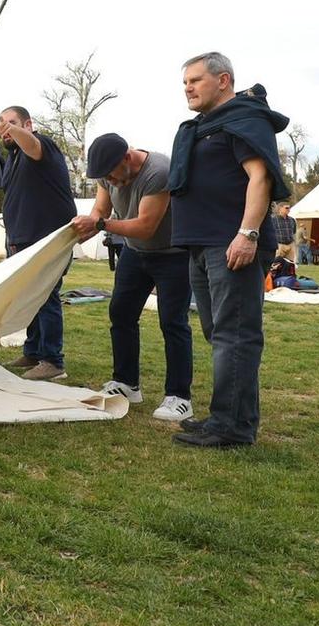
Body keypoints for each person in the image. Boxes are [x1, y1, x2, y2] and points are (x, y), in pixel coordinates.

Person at [165, 52, 290, 449]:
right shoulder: (206, 126)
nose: (188, 87)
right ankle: (228, 416)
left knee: (235, 334)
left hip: (231, 241)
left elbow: (260, 179)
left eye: (196, 80)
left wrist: (248, 234)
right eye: (185, 81)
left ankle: (232, 427)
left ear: (223, 81)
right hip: (202, 243)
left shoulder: (245, 119)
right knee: (219, 332)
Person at [70, 132, 194, 423]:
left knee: (173, 322)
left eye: (111, 176)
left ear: (127, 157)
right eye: (104, 179)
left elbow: (146, 226)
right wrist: (85, 227)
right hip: (135, 254)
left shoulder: (159, 172)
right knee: (121, 314)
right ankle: (126, 383)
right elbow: (101, 209)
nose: (110, 182)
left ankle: (179, 397)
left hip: (173, 254)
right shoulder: (106, 171)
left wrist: (100, 223)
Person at [0, 105, 77, 382]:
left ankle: (53, 361)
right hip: (22, 239)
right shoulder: (15, 157)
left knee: (46, 295)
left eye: (13, 123)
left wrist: (16, 132)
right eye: (2, 123)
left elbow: (32, 144)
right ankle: (33, 351)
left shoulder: (42, 147)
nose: (6, 129)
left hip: (47, 238)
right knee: (30, 297)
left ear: (28, 124)